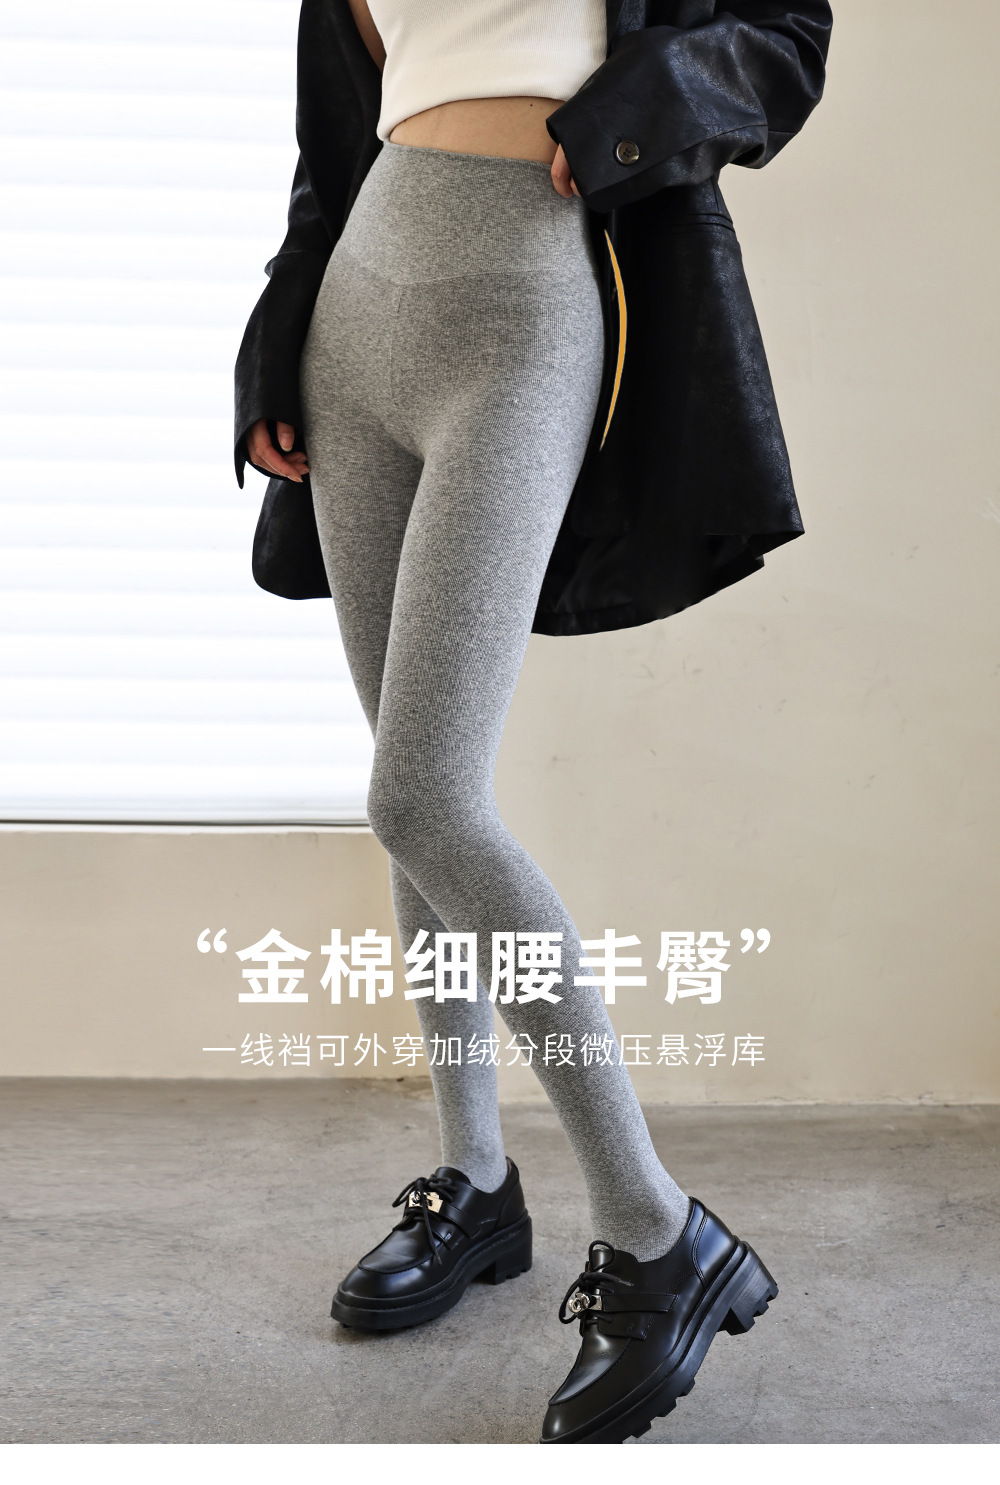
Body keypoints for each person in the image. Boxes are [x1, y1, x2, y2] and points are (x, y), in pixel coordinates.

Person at [234, 0, 832, 1445]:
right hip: (358, 313)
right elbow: (330, 146)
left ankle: (658, 1229)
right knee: (411, 789)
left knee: (423, 798)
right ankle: (478, 1185)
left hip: (526, 295)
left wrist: (637, 107)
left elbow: (784, 37)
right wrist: (273, 344)